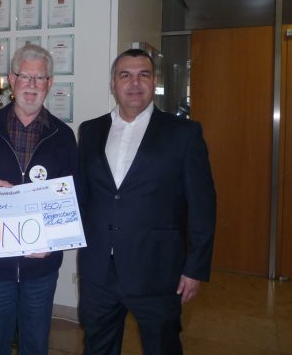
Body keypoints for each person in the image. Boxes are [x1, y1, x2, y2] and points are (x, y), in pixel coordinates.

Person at [76, 48, 216, 355]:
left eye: (143, 75)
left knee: (163, 347)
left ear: (154, 82)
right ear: (113, 83)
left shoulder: (184, 133)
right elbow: (82, 195)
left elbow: (203, 206)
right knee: (97, 347)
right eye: (125, 75)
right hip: (99, 271)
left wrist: (195, 267)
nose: (134, 83)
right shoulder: (90, 130)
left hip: (158, 270)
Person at [0, 44, 77, 355]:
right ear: (12, 79)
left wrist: (53, 240)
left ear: (50, 83)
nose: (32, 85)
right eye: (25, 76)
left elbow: (73, 196)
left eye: (40, 78)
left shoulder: (63, 136)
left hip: (41, 267)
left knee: (35, 345)